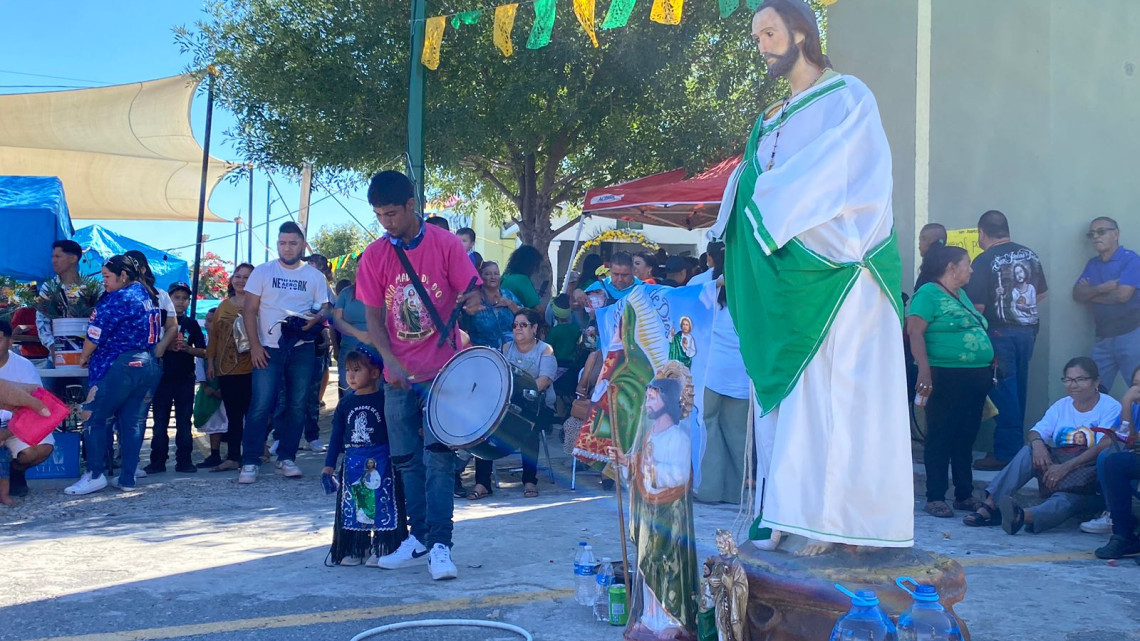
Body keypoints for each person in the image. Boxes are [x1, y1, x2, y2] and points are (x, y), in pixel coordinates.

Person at [708, 0, 913, 554]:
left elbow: (846, 174)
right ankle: (790, 512)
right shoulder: (771, 117)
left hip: (840, 270)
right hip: (779, 273)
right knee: (793, 401)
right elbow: (751, 180)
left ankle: (844, 521)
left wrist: (765, 208)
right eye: (756, 37)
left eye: (770, 32)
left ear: (802, 31)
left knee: (839, 395)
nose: (763, 45)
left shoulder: (847, 97)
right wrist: (737, 217)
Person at [356, 170, 481, 581]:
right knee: (407, 460)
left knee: (439, 461)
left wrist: (474, 301)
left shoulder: (445, 245)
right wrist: (389, 361)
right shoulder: (373, 256)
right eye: (379, 215)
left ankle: (442, 545)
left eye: (392, 213)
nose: (386, 222)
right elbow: (374, 318)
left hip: (443, 372)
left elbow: (473, 293)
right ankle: (420, 538)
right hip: (398, 376)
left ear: (412, 205)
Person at [963, 357, 1123, 534]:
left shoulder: (1110, 407)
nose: (1073, 385)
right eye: (1068, 380)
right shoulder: (1061, 405)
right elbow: (1035, 431)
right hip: (1060, 468)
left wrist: (1065, 467)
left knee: (1065, 501)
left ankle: (1022, 516)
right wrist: (1038, 444)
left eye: (1080, 379)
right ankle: (990, 506)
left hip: (1088, 477)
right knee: (1029, 450)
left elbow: (1103, 446)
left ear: (1096, 382)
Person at [610, 364, 698, 640]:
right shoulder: (650, 436)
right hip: (648, 513)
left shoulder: (678, 438)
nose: (647, 402)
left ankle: (674, 619)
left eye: (653, 397)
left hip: (670, 517)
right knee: (647, 565)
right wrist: (626, 463)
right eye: (647, 397)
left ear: (668, 402)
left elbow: (680, 475)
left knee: (668, 565)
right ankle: (650, 617)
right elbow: (638, 469)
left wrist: (646, 466)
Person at [237, 223, 330, 484]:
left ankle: (287, 458)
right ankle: (251, 461)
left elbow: (323, 308)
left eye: (292, 243)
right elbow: (249, 310)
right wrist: (255, 345)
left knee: (297, 404)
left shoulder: (314, 276)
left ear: (302, 244)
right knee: (261, 404)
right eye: (282, 243)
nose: (287, 247)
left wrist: (312, 322)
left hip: (302, 348)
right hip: (268, 348)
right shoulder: (264, 271)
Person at [907, 245, 994, 517]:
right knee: (941, 435)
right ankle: (935, 496)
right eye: (967, 264)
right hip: (944, 375)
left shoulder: (962, 295)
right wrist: (923, 371)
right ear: (950, 267)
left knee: (965, 436)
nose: (971, 269)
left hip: (974, 376)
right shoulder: (927, 294)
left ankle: (964, 495)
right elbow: (915, 333)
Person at [64, 255, 163, 495]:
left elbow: (94, 335)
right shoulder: (147, 294)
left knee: (93, 417)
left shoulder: (118, 298)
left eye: (107, 276)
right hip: (148, 363)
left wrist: (84, 356)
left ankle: (95, 474)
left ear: (123, 276)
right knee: (132, 422)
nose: (104, 281)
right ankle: (128, 477)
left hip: (118, 365)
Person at [965, 210, 1049, 471]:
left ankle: (1006, 453)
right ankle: (1015, 450)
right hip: (1027, 332)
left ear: (981, 232)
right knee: (1019, 390)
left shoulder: (984, 260)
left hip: (999, 334)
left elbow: (977, 306)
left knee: (1003, 392)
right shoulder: (1030, 255)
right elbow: (1042, 294)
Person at [322, 347, 406, 567]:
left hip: (382, 460)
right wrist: (328, 466)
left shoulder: (384, 398)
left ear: (375, 373)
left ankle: (383, 546)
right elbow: (337, 435)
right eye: (348, 370)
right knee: (358, 507)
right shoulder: (345, 403)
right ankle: (358, 547)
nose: (350, 375)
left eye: (357, 370)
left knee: (382, 504)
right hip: (353, 463)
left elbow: (394, 429)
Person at [469, 309, 556, 500]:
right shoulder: (507, 348)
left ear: (534, 328)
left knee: (529, 427)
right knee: (484, 428)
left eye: (523, 325)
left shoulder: (545, 350)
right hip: (508, 405)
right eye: (515, 325)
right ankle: (483, 483)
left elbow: (544, 380)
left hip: (538, 406)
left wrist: (518, 394)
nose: (518, 329)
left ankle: (529, 481)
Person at [694, 242, 750, 505]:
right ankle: (736, 492)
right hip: (742, 371)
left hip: (710, 370)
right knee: (738, 435)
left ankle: (709, 490)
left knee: (709, 430)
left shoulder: (703, 285)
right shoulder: (751, 286)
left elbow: (685, 311)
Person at [145, 282, 206, 474]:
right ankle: (158, 460)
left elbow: (204, 351)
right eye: (176, 298)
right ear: (168, 299)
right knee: (160, 421)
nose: (180, 302)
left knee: (184, 421)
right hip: (162, 378)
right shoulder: (160, 321)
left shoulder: (192, 324)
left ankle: (184, 460)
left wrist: (188, 349)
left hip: (185, 378)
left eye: (184, 298)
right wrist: (166, 346)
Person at [1073, 217, 1140, 390]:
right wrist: (1104, 287)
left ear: (1116, 234)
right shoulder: (1093, 264)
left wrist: (1092, 294)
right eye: (1091, 234)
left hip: (1131, 335)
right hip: (1103, 338)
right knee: (1093, 390)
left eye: (1101, 232)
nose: (1096, 237)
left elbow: (1122, 296)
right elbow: (1078, 294)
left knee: (1138, 389)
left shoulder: (1131, 259)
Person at [206, 263, 254, 472]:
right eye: (238, 276)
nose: (241, 281)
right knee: (233, 415)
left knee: (254, 413)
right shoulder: (223, 307)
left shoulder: (258, 304)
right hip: (226, 369)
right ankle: (234, 456)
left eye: (246, 277)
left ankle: (254, 454)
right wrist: (210, 363)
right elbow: (214, 337)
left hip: (253, 367)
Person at [1090, 365, 1140, 558]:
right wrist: (1126, 403)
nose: (1137, 390)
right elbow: (1126, 439)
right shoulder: (1135, 406)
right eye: (1135, 384)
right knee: (1114, 462)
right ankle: (1123, 534)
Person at [0, 320, 54, 491]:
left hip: (15, 425)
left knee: (41, 448)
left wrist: (6, 433)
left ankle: (15, 472)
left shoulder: (24, 366)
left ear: (10, 342)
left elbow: (37, 405)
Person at [34, 239, 85, 360]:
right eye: (52, 257)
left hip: (87, 357)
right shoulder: (48, 287)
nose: (53, 261)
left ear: (73, 259)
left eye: (58, 256)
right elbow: (41, 320)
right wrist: (52, 347)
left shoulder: (90, 287)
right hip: (57, 355)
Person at [462, 261, 522, 350]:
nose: (493, 277)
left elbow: (526, 317)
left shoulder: (508, 295)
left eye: (496, 274)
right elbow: (464, 328)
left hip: (512, 350)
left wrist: (511, 305)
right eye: (488, 274)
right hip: (485, 353)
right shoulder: (474, 300)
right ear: (480, 277)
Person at [333, 278, 373, 396]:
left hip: (376, 349)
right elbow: (336, 320)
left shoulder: (384, 291)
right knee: (350, 392)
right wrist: (358, 334)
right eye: (359, 267)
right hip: (349, 349)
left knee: (377, 391)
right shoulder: (346, 293)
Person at [501, 245, 544, 313]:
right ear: (531, 265)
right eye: (536, 265)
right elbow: (538, 309)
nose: (535, 269)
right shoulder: (521, 279)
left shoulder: (506, 276)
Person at [914, 223, 948, 291]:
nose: (919, 244)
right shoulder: (952, 265)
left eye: (921, 239)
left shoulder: (928, 270)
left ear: (928, 241)